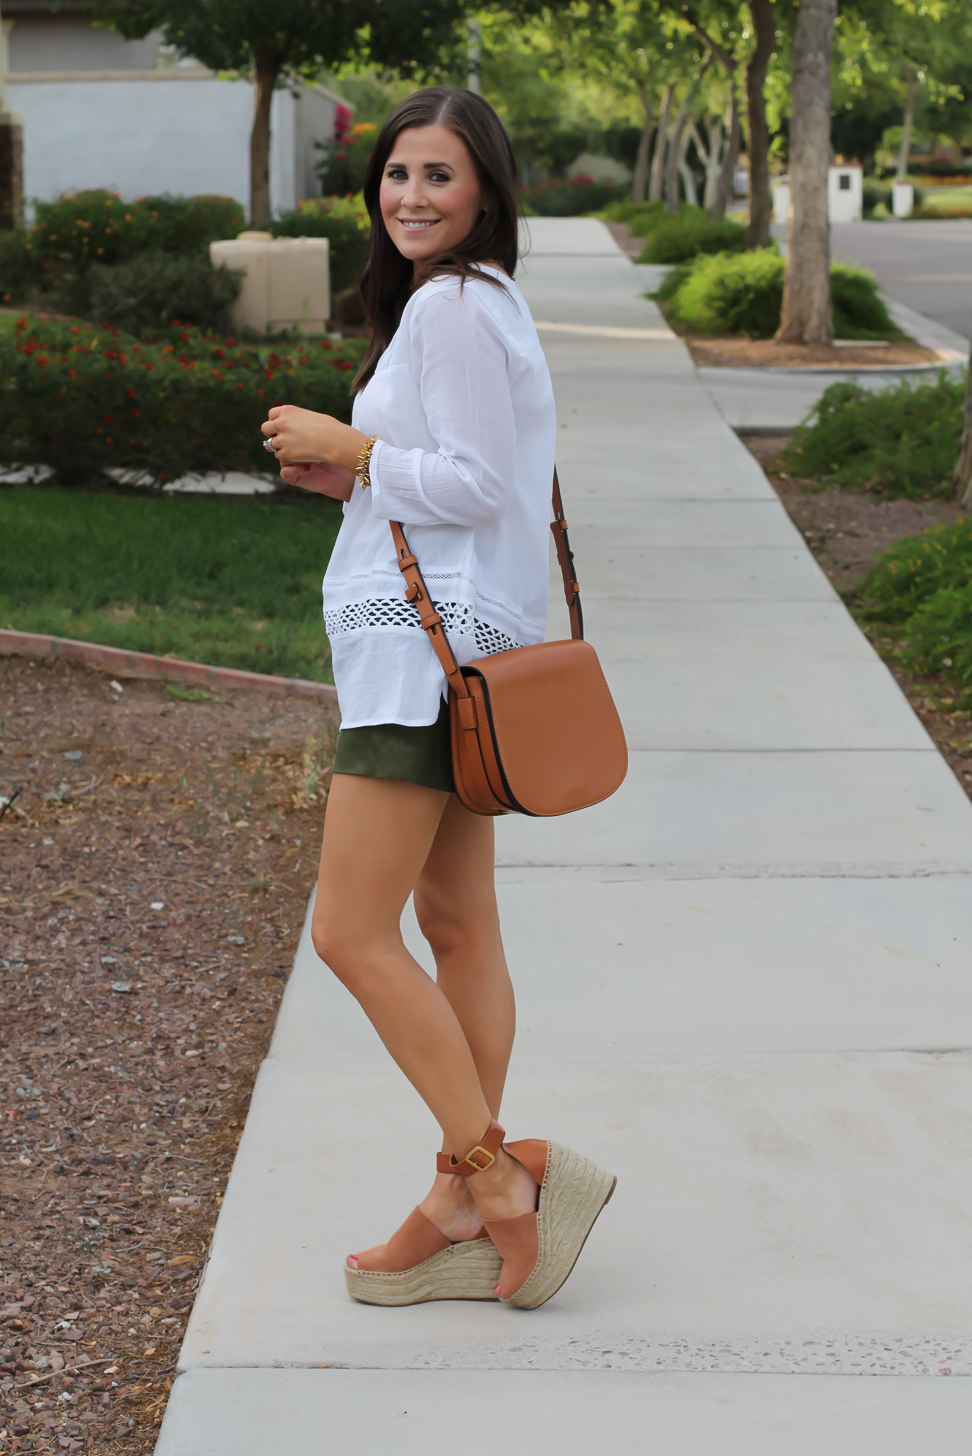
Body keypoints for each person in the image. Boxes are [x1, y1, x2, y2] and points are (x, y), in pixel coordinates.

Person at [260, 86, 614, 1310]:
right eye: (397, 174)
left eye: (439, 177)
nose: (411, 197)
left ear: (486, 194)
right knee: (459, 929)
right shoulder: (472, 303)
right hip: (456, 647)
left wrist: (353, 448)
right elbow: (475, 486)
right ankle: (457, 1201)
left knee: (350, 932)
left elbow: (464, 483)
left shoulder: (455, 306)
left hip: (419, 660)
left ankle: (498, 1177)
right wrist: (352, 482)